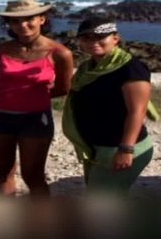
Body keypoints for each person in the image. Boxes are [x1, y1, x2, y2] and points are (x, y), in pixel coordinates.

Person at [0, 0, 73, 198]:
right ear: (9, 24)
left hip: (35, 119)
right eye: (15, 21)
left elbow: (63, 88)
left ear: (42, 19)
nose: (23, 25)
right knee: (3, 173)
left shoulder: (60, 53)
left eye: (29, 19)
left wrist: (31, 96)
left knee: (33, 175)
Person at [62, 17, 155, 196]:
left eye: (100, 37)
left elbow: (137, 111)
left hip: (121, 147)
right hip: (99, 148)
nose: (93, 42)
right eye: (86, 38)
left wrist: (126, 150)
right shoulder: (88, 68)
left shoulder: (130, 69)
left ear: (115, 38)